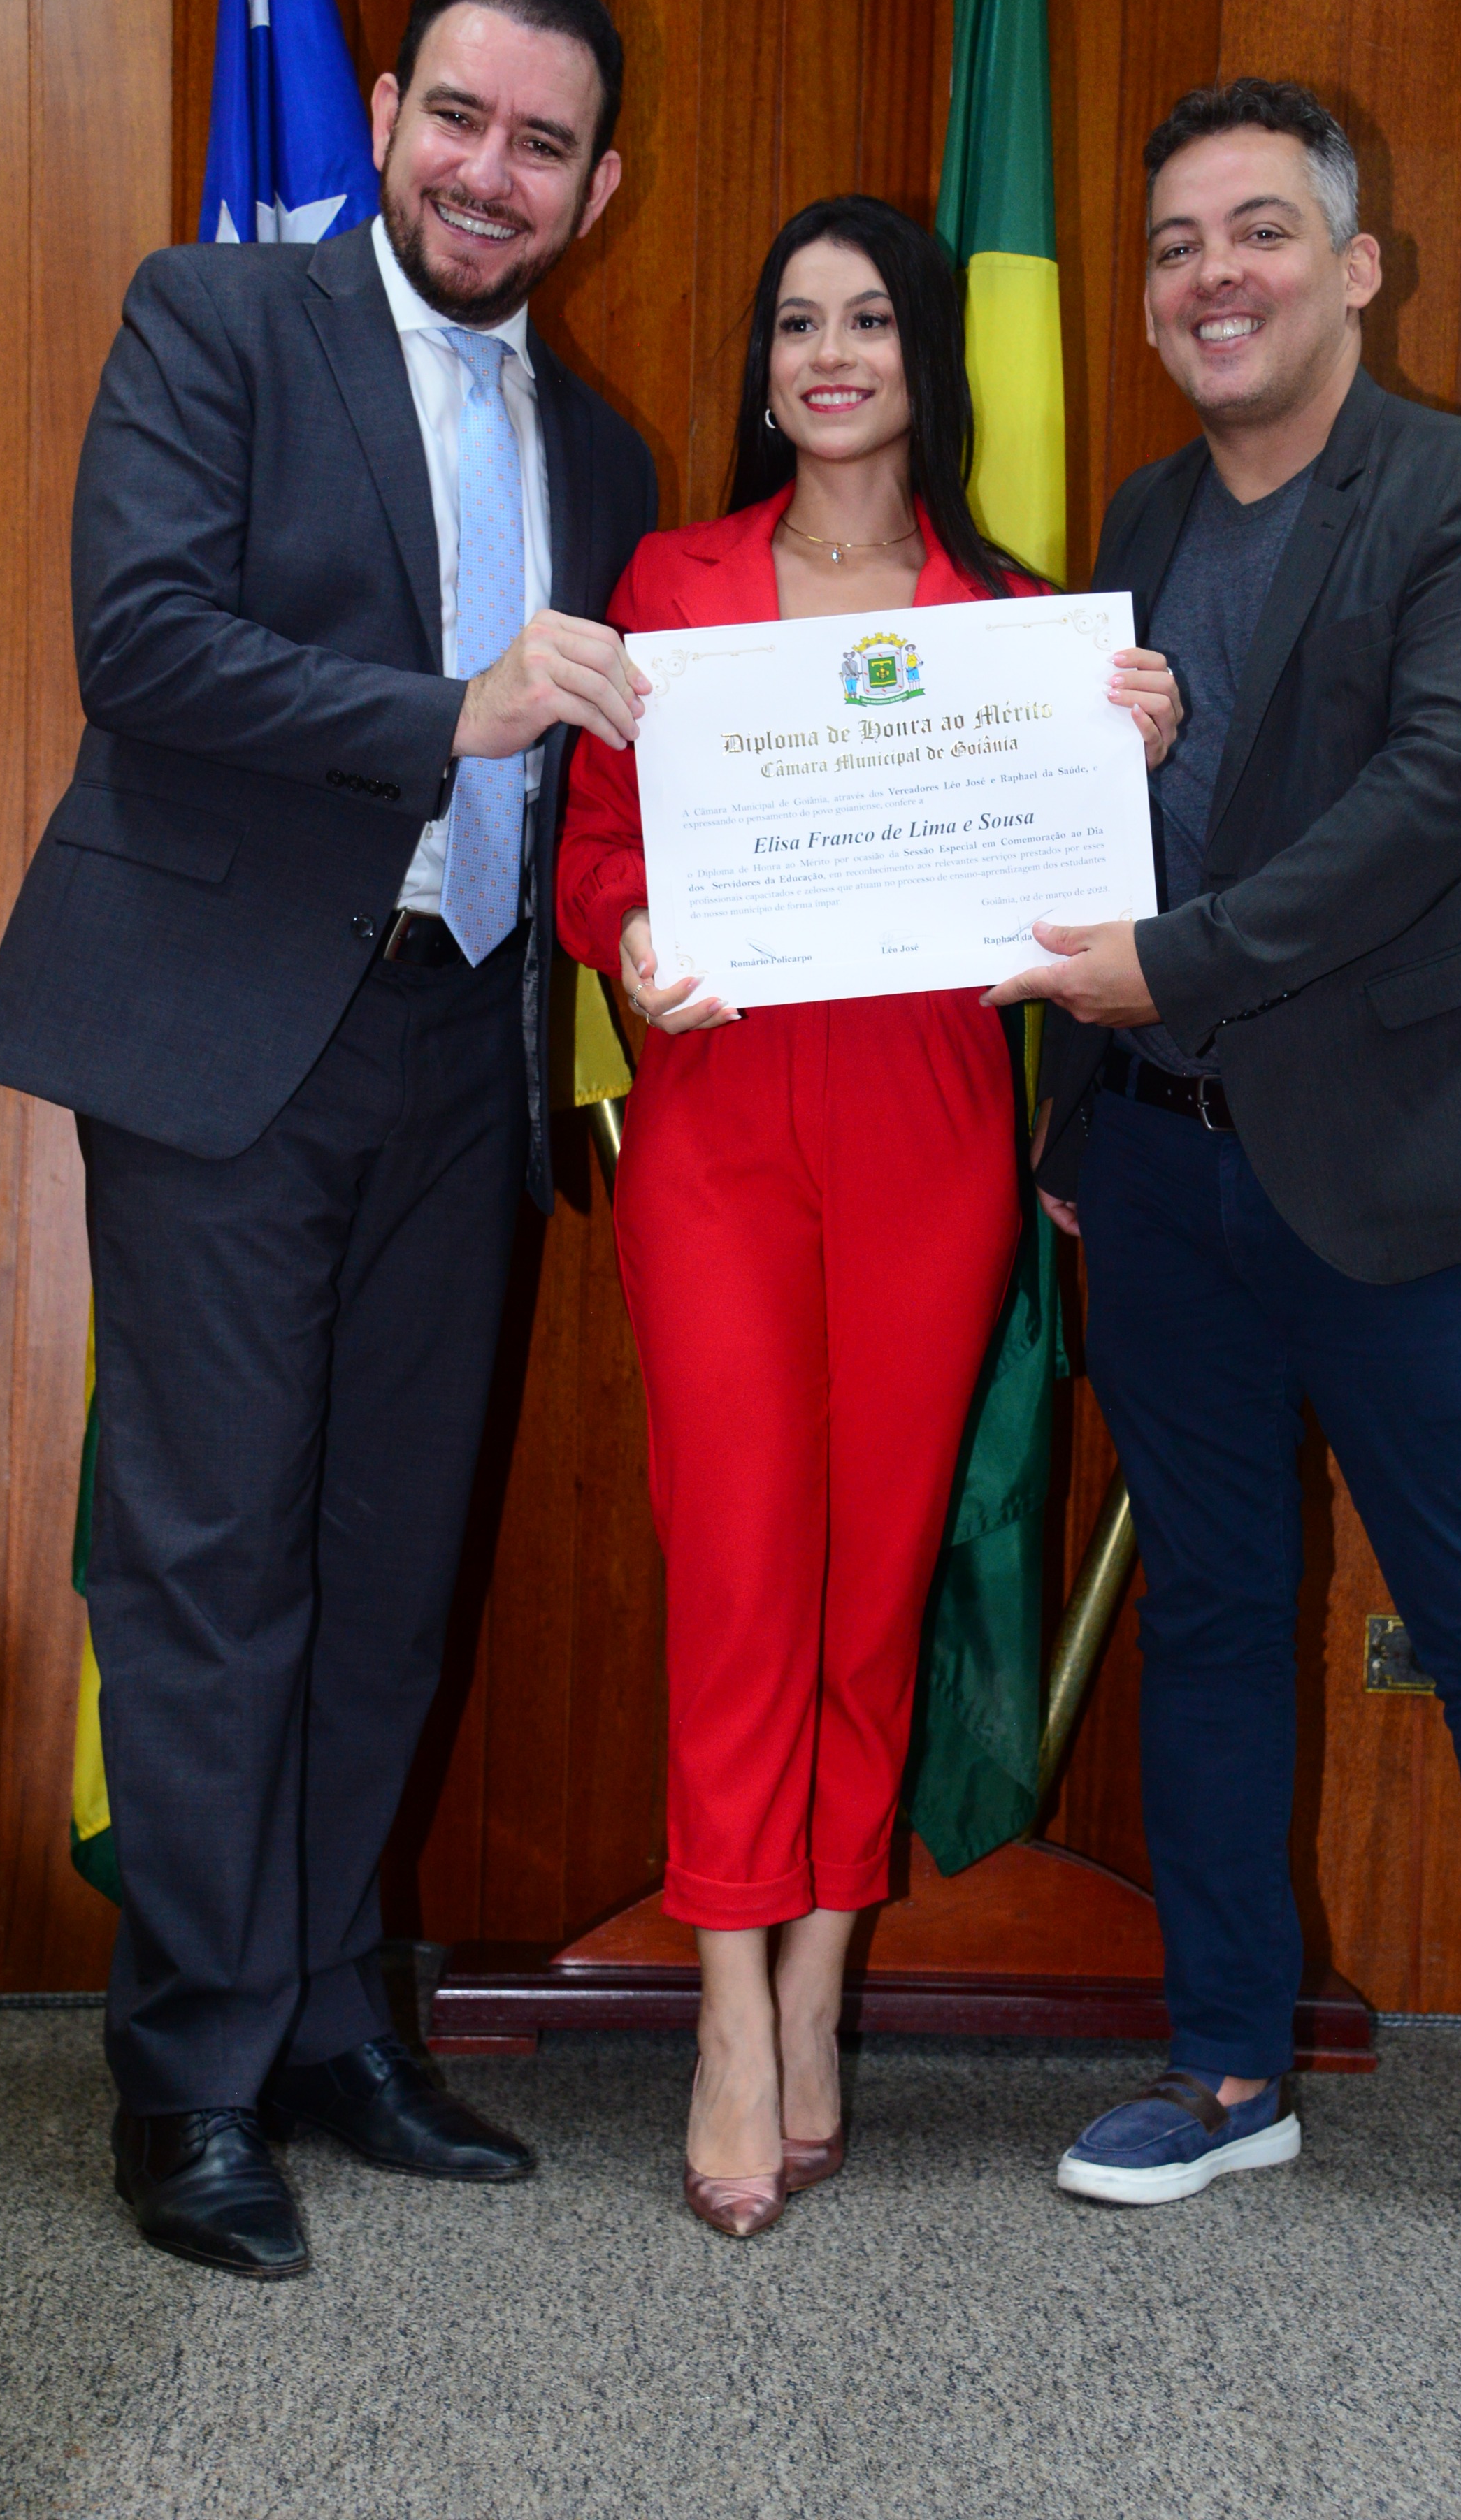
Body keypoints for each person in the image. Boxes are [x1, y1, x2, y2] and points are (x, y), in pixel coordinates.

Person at [0, 0, 657, 2281]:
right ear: (381, 109)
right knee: (209, 1564)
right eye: (458, 116)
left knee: (384, 1563)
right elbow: (142, 642)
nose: (488, 170)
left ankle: (338, 2021)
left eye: (541, 143)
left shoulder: (607, 454)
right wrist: (450, 711)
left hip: (469, 1051)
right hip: (231, 1037)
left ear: (597, 188)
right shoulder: (216, 322)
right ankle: (188, 2074)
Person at [993, 78, 1461, 2305]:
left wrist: (1173, 971)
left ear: (1354, 267)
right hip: (1163, 1173)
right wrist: (1079, 1112)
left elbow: (1439, 791)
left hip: (1399, 1179)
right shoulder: (1137, 510)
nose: (1212, 275)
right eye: (1175, 245)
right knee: (1211, 1623)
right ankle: (1230, 2068)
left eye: (1258, 232)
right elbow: (1099, 833)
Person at [557, 194, 1181, 2237]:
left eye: (870, 322)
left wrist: (1133, 763)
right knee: (742, 1559)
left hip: (930, 1129)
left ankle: (822, 1968)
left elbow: (1088, 901)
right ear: (765, 368)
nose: (831, 355)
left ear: (925, 357)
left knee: (879, 1567)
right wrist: (627, 935)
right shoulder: (673, 584)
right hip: (722, 1123)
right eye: (796, 322)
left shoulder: (1018, 622)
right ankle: (730, 2007)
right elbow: (595, 848)